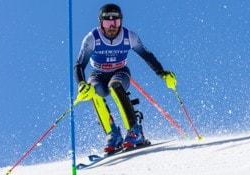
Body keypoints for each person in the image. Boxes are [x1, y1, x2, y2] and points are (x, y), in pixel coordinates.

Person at [74, 3, 177, 153]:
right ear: (101, 23)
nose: (112, 26)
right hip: (97, 74)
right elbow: (79, 64)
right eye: (107, 22)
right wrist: (82, 84)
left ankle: (134, 131)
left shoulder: (130, 37)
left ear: (121, 21)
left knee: (114, 86)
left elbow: (147, 56)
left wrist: (162, 73)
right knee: (92, 90)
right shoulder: (92, 39)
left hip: (120, 72)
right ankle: (113, 135)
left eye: (115, 22)